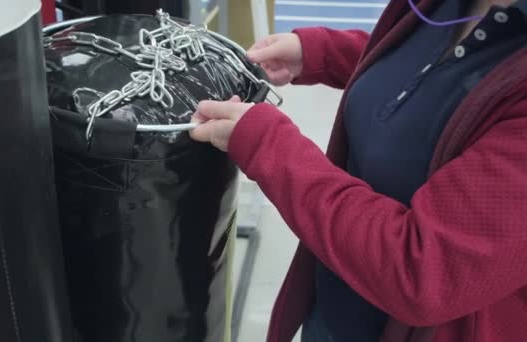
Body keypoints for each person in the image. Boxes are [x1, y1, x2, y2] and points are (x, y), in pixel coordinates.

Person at [189, 0, 527, 341]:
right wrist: (324, 52)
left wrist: (269, 145)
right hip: (337, 296)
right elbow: (435, 68)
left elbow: (425, 273)